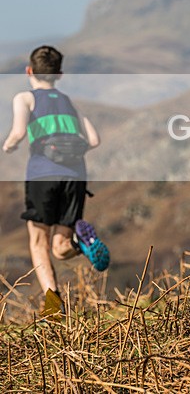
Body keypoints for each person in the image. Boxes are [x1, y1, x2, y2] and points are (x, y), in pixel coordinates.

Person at [2, 45, 109, 318]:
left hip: (42, 175)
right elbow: (94, 140)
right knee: (60, 249)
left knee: (39, 244)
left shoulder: (25, 98)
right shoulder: (70, 103)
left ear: (29, 71)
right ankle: (81, 244)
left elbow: (17, 132)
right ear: (59, 74)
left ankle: (53, 307)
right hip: (75, 177)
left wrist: (8, 147)